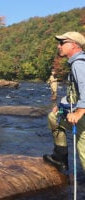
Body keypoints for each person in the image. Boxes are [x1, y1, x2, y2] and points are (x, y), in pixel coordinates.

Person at [43, 31, 85, 174]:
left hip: (83, 117)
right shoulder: (76, 63)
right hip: (77, 112)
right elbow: (74, 92)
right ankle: (60, 158)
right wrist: (61, 105)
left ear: (73, 45)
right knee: (54, 117)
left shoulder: (79, 64)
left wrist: (79, 111)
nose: (58, 46)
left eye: (62, 43)